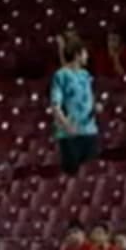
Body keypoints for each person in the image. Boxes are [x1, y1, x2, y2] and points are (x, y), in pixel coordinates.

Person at [50, 45, 100, 174]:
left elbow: (89, 96)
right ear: (77, 55)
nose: (87, 56)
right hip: (71, 133)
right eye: (85, 53)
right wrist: (66, 125)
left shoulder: (85, 74)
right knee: (74, 173)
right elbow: (55, 105)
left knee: (91, 172)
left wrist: (95, 106)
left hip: (89, 130)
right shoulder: (61, 76)